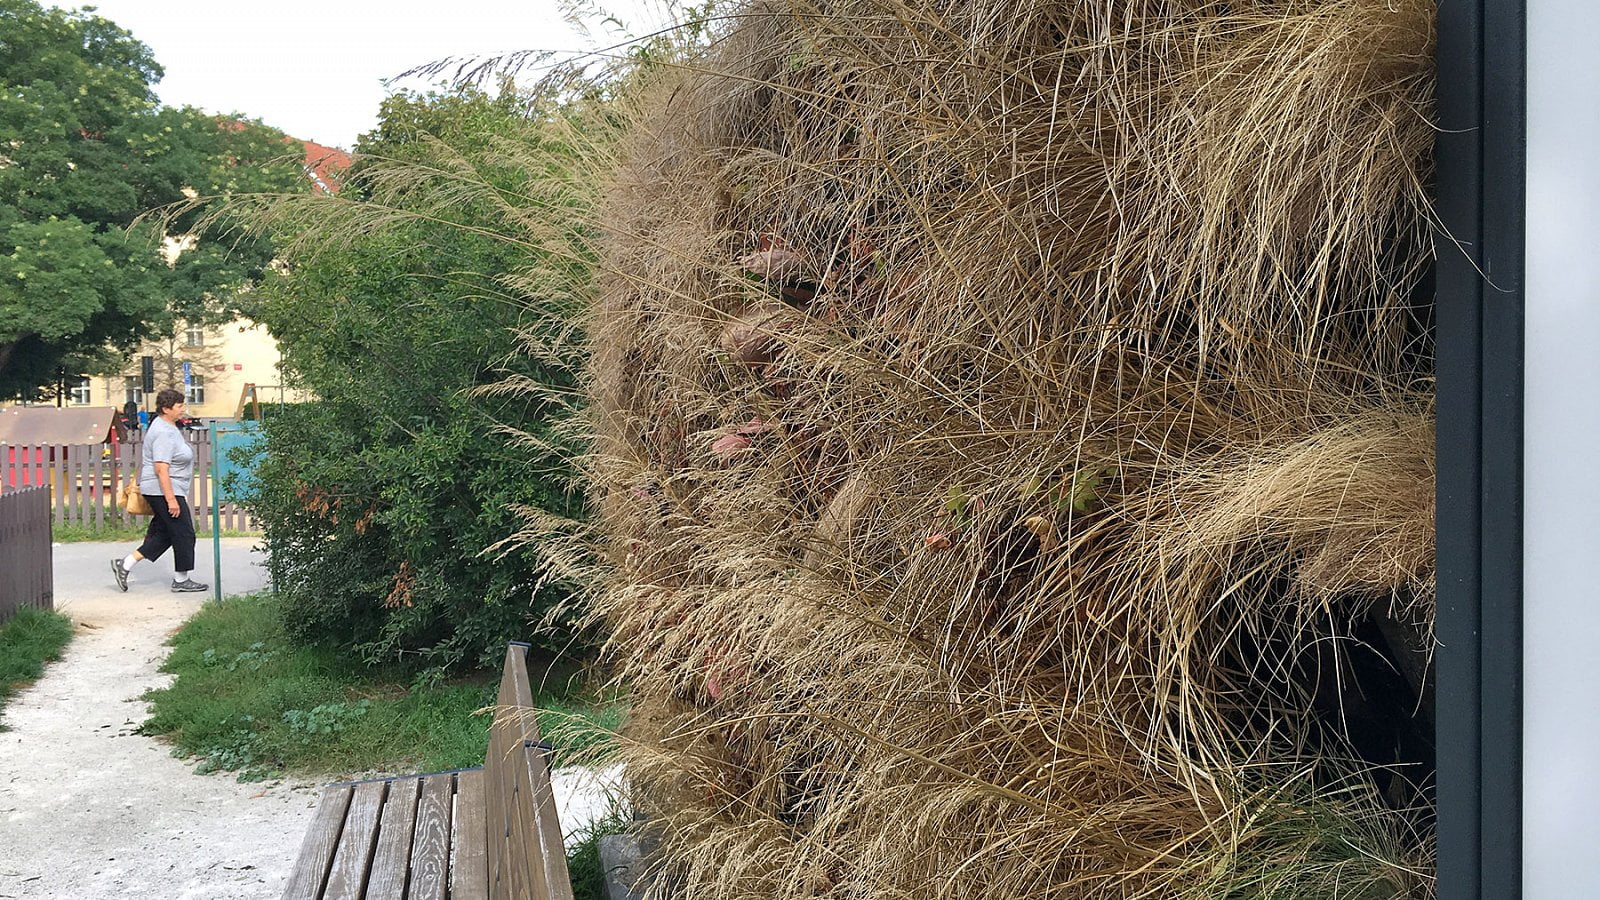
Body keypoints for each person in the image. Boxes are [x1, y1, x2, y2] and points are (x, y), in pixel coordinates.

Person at [110, 388, 207, 592]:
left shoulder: (168, 427)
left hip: (166, 489)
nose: (183, 409)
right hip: (162, 490)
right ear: (166, 408)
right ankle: (181, 580)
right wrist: (171, 500)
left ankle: (125, 564)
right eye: (179, 406)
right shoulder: (162, 431)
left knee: (166, 533)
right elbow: (161, 469)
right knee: (185, 533)